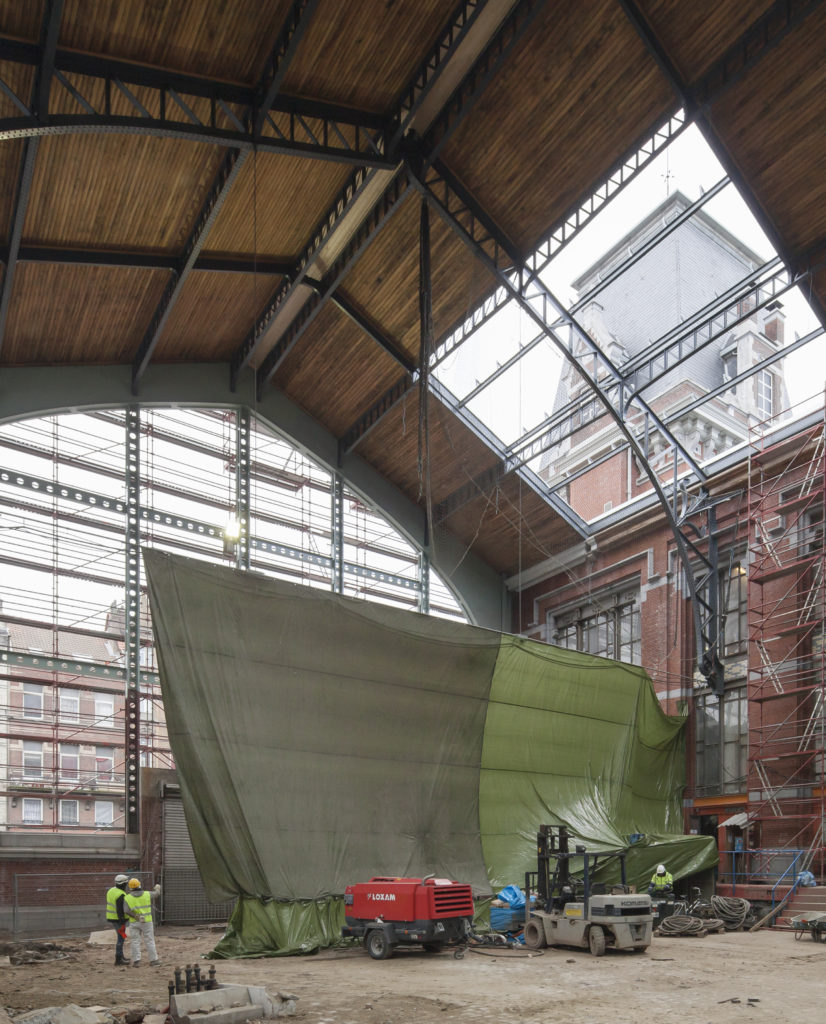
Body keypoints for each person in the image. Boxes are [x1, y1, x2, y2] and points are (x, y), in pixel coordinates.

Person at [124, 877, 162, 967]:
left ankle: (136, 961)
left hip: (134, 922)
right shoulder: (147, 894)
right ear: (139, 885)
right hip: (147, 922)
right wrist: (157, 887)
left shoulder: (127, 898)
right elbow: (157, 894)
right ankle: (153, 960)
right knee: (149, 940)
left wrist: (136, 917)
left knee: (135, 941)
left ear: (130, 888)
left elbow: (126, 910)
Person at [105, 873, 130, 966]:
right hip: (118, 920)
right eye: (126, 883)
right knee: (121, 938)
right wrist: (122, 920)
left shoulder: (111, 890)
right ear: (123, 884)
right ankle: (118, 959)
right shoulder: (121, 894)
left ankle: (121, 957)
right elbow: (120, 910)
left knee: (121, 937)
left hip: (112, 918)